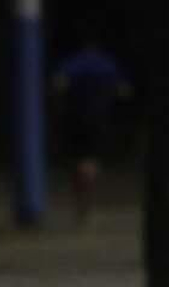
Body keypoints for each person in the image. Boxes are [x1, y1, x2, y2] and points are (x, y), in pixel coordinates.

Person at [51, 30, 132, 227]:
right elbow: (124, 91)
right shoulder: (107, 64)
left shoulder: (73, 63)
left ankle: (81, 202)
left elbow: (58, 85)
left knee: (78, 161)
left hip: (76, 118)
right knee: (92, 160)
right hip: (99, 118)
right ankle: (87, 196)